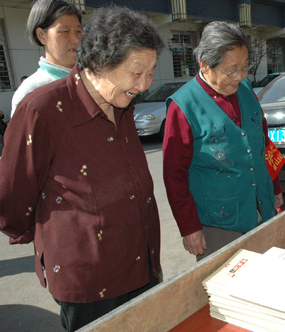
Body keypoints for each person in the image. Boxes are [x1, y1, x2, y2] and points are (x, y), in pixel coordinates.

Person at [0, 6, 165, 331]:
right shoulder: (41, 109)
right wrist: (58, 238)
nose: (144, 84)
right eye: (136, 72)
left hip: (142, 263)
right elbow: (12, 193)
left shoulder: (123, 103)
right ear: (101, 63)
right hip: (89, 283)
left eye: (151, 72)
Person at [163, 21, 284, 261]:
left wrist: (275, 187)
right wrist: (189, 228)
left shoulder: (246, 89)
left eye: (244, 67)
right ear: (205, 65)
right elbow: (173, 174)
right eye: (232, 70)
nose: (239, 76)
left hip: (262, 207)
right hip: (219, 224)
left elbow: (263, 144)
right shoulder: (183, 106)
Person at [11, 0, 82, 118]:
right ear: (41, 35)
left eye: (78, 31)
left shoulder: (93, 80)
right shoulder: (32, 92)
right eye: (65, 31)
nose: (76, 39)